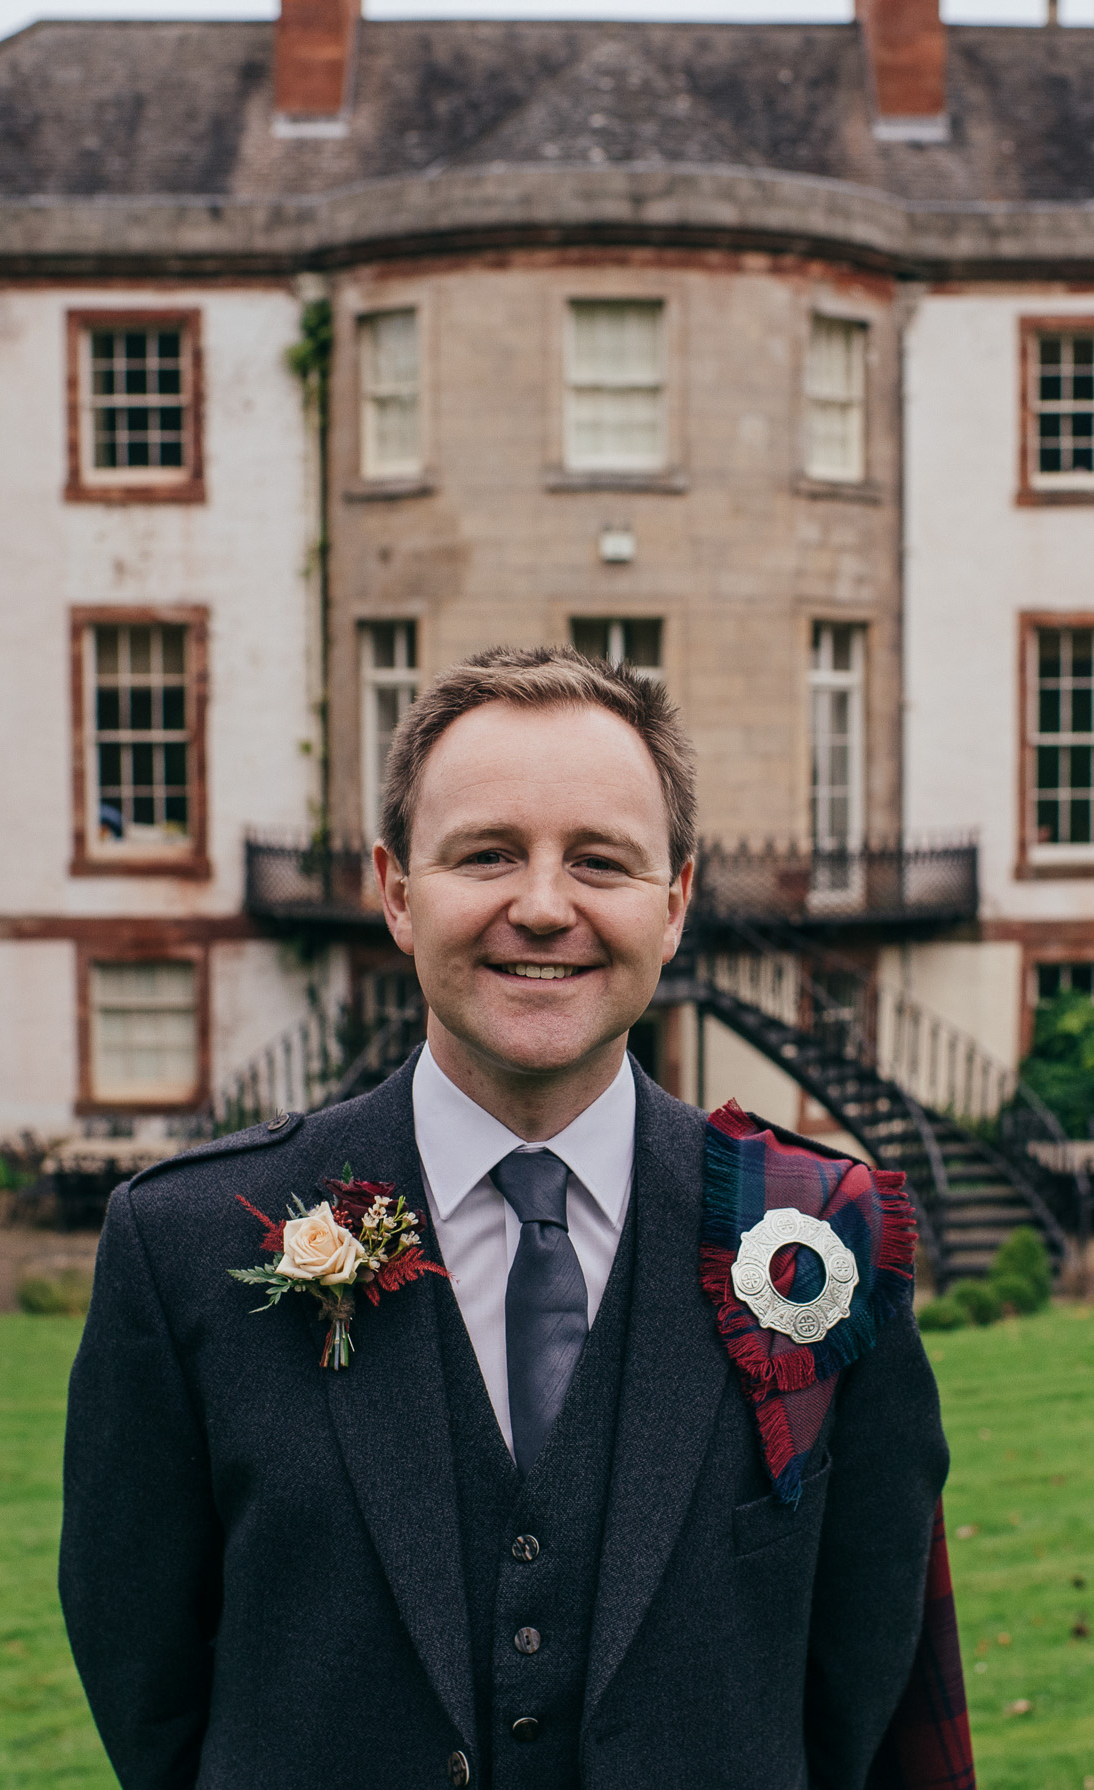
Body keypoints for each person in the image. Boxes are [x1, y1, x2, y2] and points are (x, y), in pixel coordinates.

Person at [61, 647, 961, 1789]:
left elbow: (863, 1672)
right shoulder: (182, 1246)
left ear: (675, 901)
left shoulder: (818, 1234)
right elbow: (145, 1680)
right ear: (396, 889)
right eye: (486, 853)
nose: (542, 906)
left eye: (600, 860)